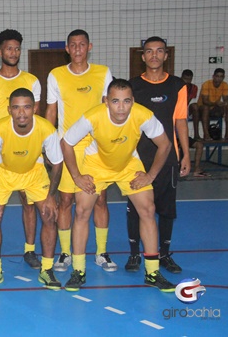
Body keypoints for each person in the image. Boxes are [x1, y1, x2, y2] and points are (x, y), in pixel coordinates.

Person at [61, 79, 175, 292]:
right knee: (83, 211)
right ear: (106, 101)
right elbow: (66, 143)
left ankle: (152, 272)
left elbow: (165, 144)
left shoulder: (143, 115)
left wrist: (150, 175)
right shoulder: (92, 117)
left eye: (126, 101)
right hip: (96, 164)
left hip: (128, 164)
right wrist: (76, 176)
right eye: (115, 101)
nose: (121, 107)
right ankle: (78, 271)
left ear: (133, 101)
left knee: (148, 209)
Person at [45, 29, 116, 273]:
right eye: (73, 45)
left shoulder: (103, 73)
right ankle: (65, 253)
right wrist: (48, 143)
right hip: (68, 146)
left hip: (96, 148)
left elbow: (110, 108)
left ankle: (101, 252)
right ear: (67, 49)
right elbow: (51, 112)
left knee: (100, 199)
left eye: (82, 44)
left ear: (90, 47)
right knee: (65, 200)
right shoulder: (56, 75)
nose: (77, 49)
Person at [0, 88, 62, 291]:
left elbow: (58, 164)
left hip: (33, 172)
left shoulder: (46, 129)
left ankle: (47, 269)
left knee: (50, 214)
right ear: (9, 110)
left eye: (27, 107)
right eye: (16, 108)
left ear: (35, 108)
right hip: (3, 172)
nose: (22, 113)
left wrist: (52, 196)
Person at [0, 29, 42, 270]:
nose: (13, 52)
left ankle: (30, 250)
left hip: (27, 155)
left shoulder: (32, 81)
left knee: (29, 203)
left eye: (16, 48)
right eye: (8, 48)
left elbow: (35, 117)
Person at [125, 36, 190, 275]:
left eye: (159, 51)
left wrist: (185, 154)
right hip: (137, 158)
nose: (154, 55)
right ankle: (134, 255)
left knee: (165, 208)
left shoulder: (177, 86)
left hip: (168, 158)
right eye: (149, 51)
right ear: (142, 56)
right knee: (137, 208)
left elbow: (181, 121)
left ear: (166, 55)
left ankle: (164, 254)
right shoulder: (133, 87)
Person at [196, 68, 228, 141]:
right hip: (202, 108)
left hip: (215, 107)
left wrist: (225, 103)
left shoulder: (225, 85)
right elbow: (205, 101)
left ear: (223, 77)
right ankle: (206, 134)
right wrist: (216, 103)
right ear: (213, 76)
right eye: (217, 76)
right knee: (206, 108)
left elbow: (226, 98)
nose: (219, 78)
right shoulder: (206, 84)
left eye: (221, 76)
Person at [181, 70, 206, 177]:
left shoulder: (193, 88)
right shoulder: (176, 87)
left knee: (199, 145)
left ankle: (196, 169)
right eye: (185, 79)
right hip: (174, 138)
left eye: (189, 79)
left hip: (183, 135)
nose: (187, 81)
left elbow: (187, 101)